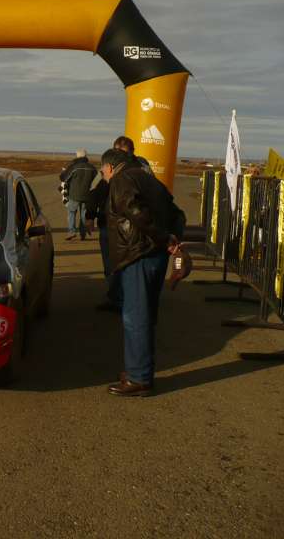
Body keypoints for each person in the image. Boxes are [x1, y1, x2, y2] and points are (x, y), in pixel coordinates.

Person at [100, 148, 186, 397]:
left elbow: (135, 211)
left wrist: (164, 238)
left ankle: (139, 378)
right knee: (144, 315)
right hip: (153, 255)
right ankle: (137, 370)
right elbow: (176, 213)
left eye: (102, 170)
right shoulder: (149, 179)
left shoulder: (122, 180)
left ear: (110, 167)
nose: (103, 175)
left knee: (136, 317)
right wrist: (170, 238)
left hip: (138, 254)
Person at [86, 136, 152, 311]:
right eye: (117, 152)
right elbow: (94, 192)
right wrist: (90, 216)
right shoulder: (107, 168)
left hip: (133, 226)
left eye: (124, 153)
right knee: (110, 265)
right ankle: (116, 296)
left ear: (132, 152)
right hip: (108, 223)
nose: (120, 157)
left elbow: (151, 194)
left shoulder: (142, 168)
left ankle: (127, 300)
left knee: (130, 264)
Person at [59, 149, 97, 240]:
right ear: (86, 156)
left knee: (71, 213)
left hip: (74, 195)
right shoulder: (92, 168)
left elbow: (64, 178)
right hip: (87, 195)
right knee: (83, 215)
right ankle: (83, 233)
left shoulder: (73, 167)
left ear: (77, 156)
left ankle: (71, 232)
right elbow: (96, 181)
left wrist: (63, 173)